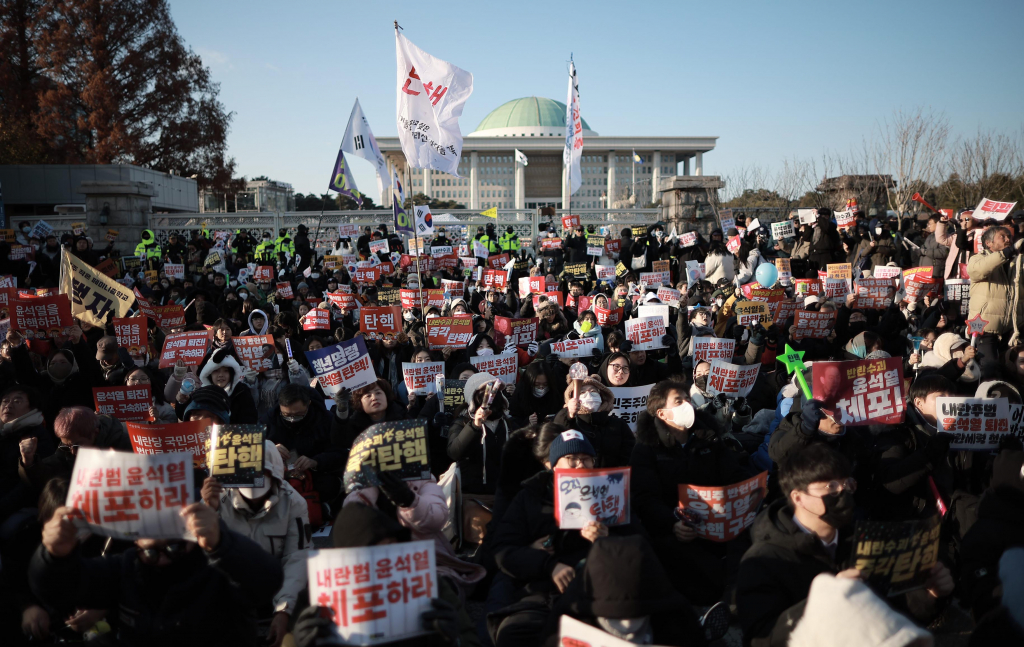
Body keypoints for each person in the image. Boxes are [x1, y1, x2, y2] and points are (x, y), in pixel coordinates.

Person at [736, 444, 953, 647]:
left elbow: (892, 611)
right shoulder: (763, 561)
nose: (842, 493)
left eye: (848, 484)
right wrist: (825, 602)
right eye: (830, 486)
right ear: (798, 498)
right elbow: (760, 638)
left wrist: (930, 595)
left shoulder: (864, 541)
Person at [30, 498, 285, 647]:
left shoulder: (219, 569)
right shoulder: (126, 568)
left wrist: (222, 543)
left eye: (174, 548)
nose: (163, 560)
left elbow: (267, 581)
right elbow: (58, 590)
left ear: (191, 539)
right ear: (136, 544)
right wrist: (53, 555)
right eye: (151, 552)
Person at [630, 380, 750, 605]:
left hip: (719, 519)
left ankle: (735, 593)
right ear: (662, 413)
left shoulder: (710, 438)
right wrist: (673, 522)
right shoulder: (646, 449)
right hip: (676, 528)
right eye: (678, 401)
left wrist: (752, 489)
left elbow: (733, 473)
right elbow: (645, 499)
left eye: (687, 399)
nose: (687, 404)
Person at [292, 503, 478, 647]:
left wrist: (454, 641)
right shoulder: (317, 601)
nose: (385, 564)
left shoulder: (429, 586)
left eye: (392, 549)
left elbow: (471, 639)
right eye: (373, 555)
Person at [201, 441, 309, 647]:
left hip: (275, 590)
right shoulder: (216, 497)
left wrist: (284, 610)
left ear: (275, 473)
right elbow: (190, 558)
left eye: (261, 471)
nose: (252, 478)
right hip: (228, 593)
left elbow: (297, 557)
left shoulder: (294, 502)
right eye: (245, 471)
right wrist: (208, 511)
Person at [263, 383, 342, 506]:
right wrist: (270, 448)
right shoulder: (269, 420)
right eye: (287, 415)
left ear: (308, 404)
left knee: (329, 485)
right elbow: (252, 448)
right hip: (280, 475)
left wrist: (315, 462)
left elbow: (340, 452)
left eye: (298, 415)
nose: (292, 419)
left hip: (316, 476)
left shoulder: (326, 419)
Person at [966, 225, 1017, 379]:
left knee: (1012, 372)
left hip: (1012, 328)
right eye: (1003, 236)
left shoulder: (1017, 262)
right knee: (990, 371)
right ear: (989, 243)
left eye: (1009, 236)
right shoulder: (977, 258)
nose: (1008, 239)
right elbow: (978, 270)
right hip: (985, 327)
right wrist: (1006, 253)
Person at [552, 376, 634, 468]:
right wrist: (569, 413)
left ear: (602, 396)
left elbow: (630, 452)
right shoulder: (571, 422)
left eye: (593, 391)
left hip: (611, 479)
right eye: (582, 392)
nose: (589, 394)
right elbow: (557, 435)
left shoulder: (618, 424)